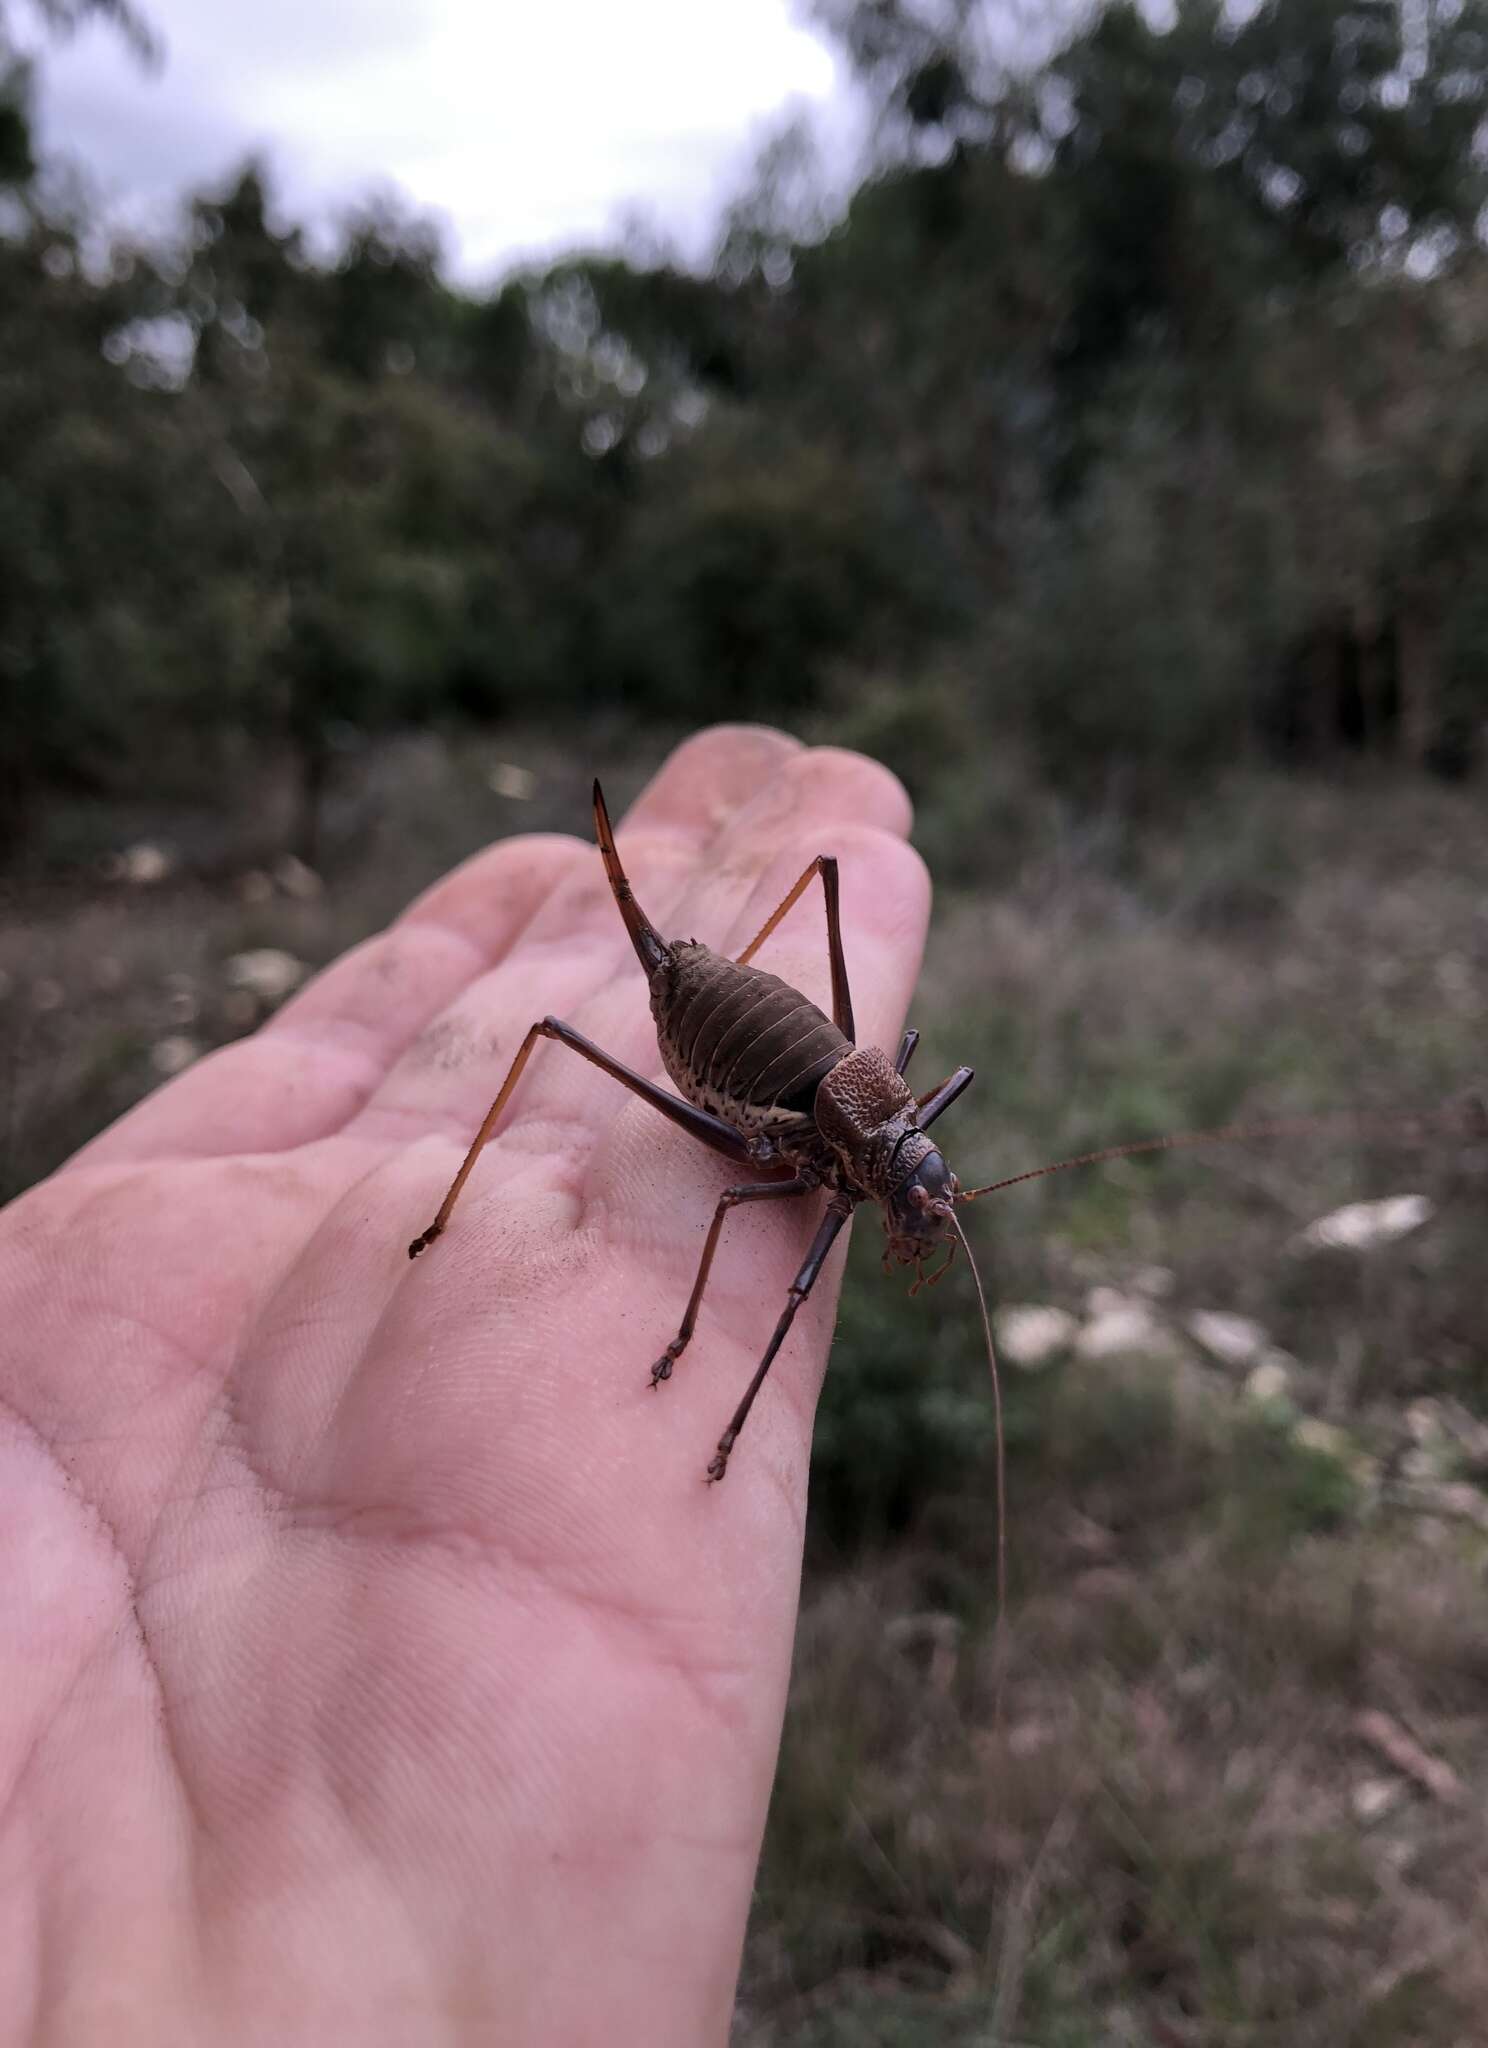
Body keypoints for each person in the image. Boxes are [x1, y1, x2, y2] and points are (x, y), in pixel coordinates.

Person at [0, 725, 929, 2044]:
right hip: (743, 1076)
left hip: (814, 1070)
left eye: (911, 1182)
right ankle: (605, 1057)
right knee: (604, 1065)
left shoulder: (892, 1142)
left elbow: (895, 1133)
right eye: (900, 1185)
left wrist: (902, 1170)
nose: (905, 1199)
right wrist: (695, 1379)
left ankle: (697, 951)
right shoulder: (808, 1165)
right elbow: (738, 1219)